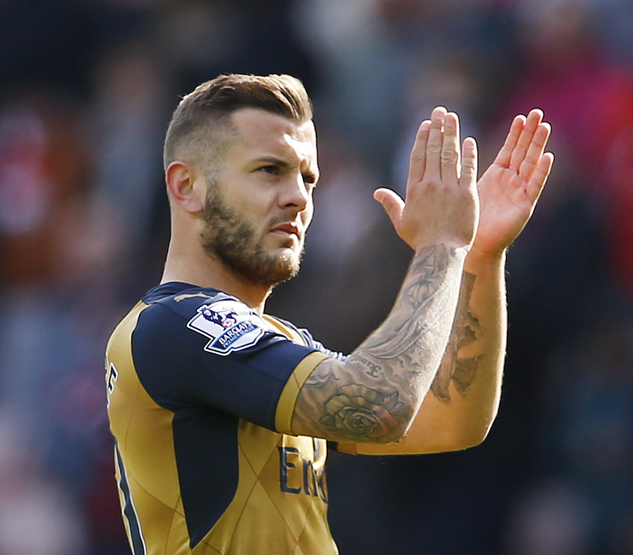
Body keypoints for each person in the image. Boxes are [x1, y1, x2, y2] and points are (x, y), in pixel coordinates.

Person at [105, 73, 553, 555]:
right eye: (269, 170)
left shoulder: (272, 340)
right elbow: (377, 404)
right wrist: (440, 246)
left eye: (308, 177)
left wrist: (479, 256)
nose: (298, 196)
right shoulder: (174, 327)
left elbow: (451, 420)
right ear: (187, 186)